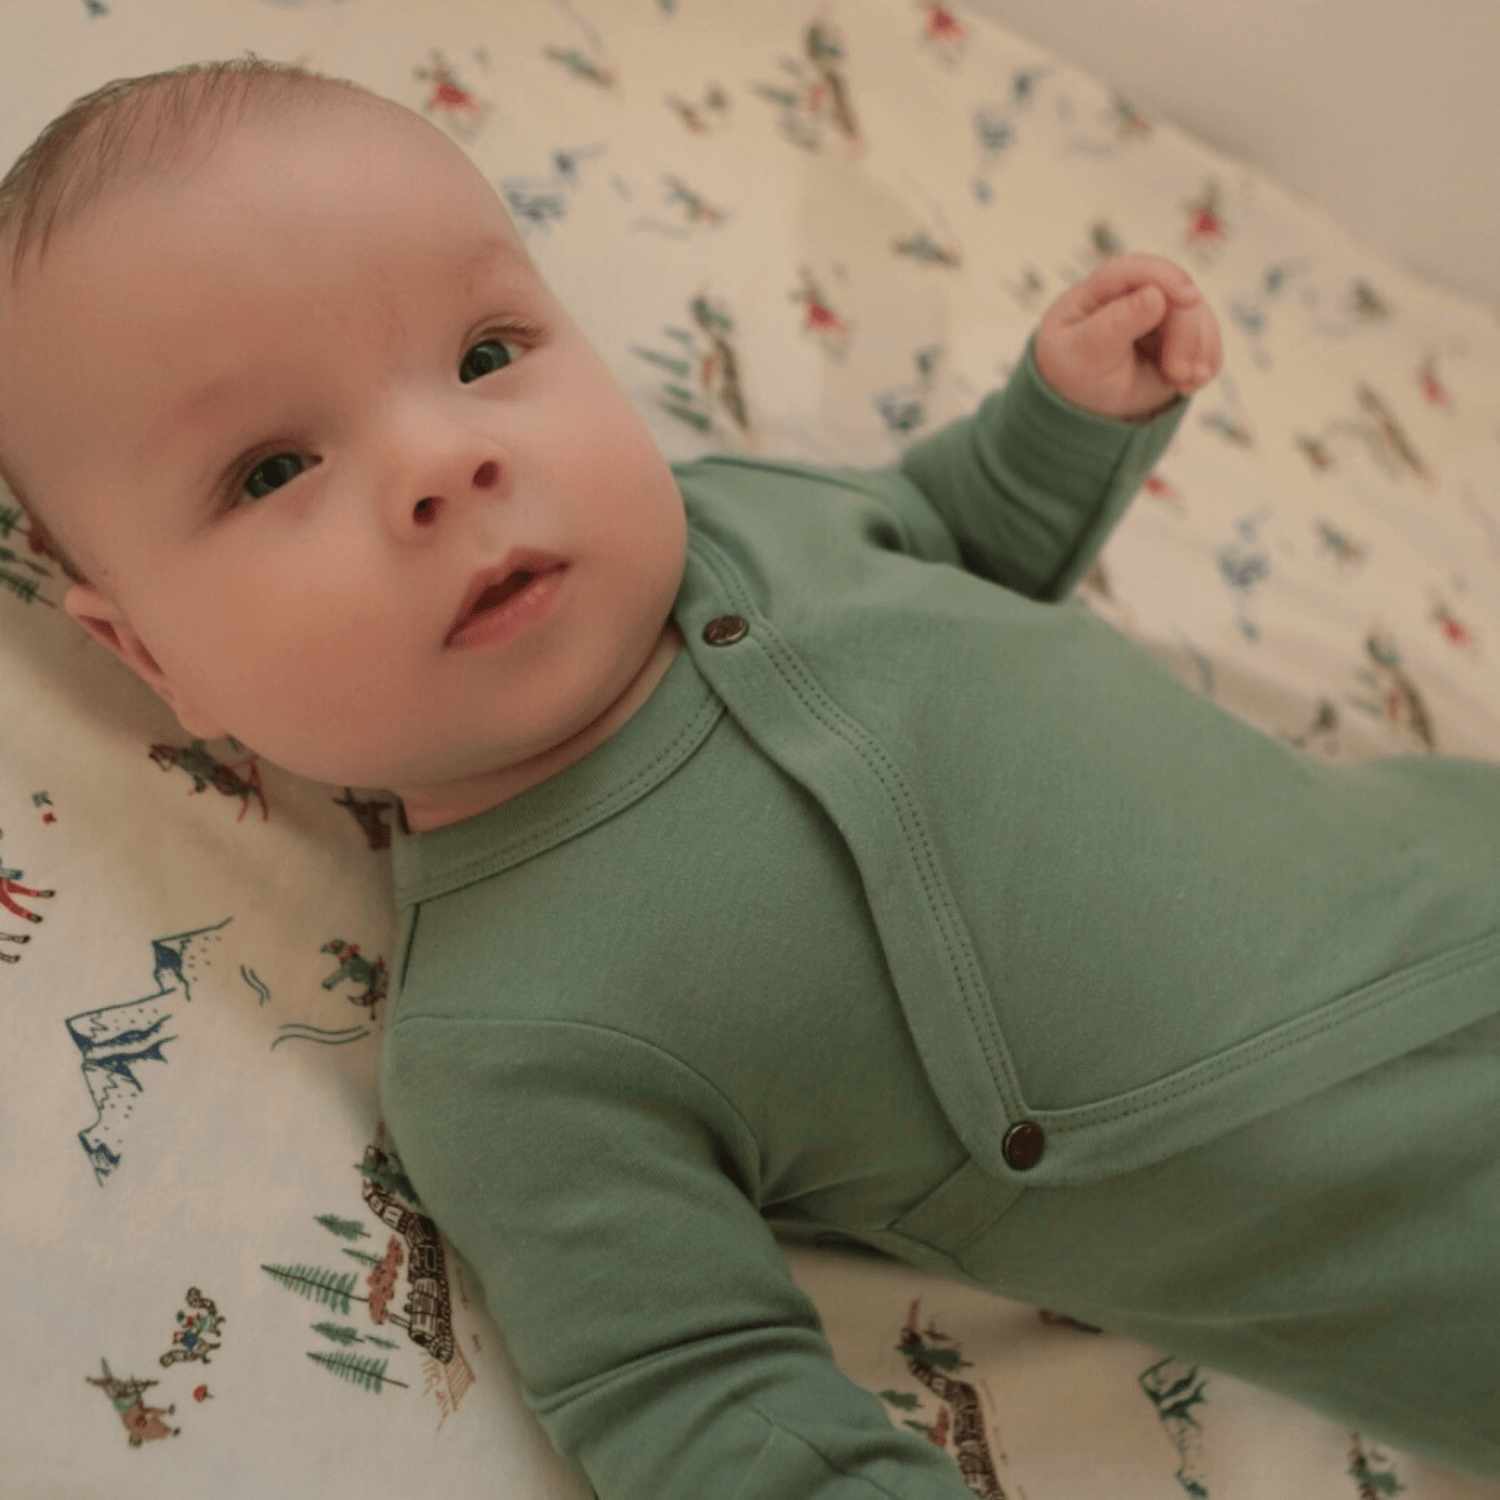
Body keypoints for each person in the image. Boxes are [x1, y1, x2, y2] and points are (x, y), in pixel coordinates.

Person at [3, 57, 1499, 1500]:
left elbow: (943, 533)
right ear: (152, 659)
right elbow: (694, 1390)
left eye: (485, 355)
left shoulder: (743, 512)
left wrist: (1056, 425)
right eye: (273, 470)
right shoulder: (512, 1044)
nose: (442, 458)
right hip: (1422, 1217)